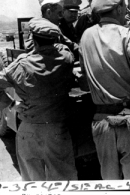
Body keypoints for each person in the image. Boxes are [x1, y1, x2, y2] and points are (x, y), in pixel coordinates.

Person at [79, 0, 130, 180]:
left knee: (110, 183)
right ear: (119, 8)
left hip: (102, 121)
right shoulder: (128, 34)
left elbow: (84, 77)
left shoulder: (86, 36)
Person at [0, 17, 78, 181]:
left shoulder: (21, 64)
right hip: (57, 128)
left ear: (33, 41)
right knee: (63, 181)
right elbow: (69, 47)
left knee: (32, 182)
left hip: (29, 129)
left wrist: (12, 104)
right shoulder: (66, 59)